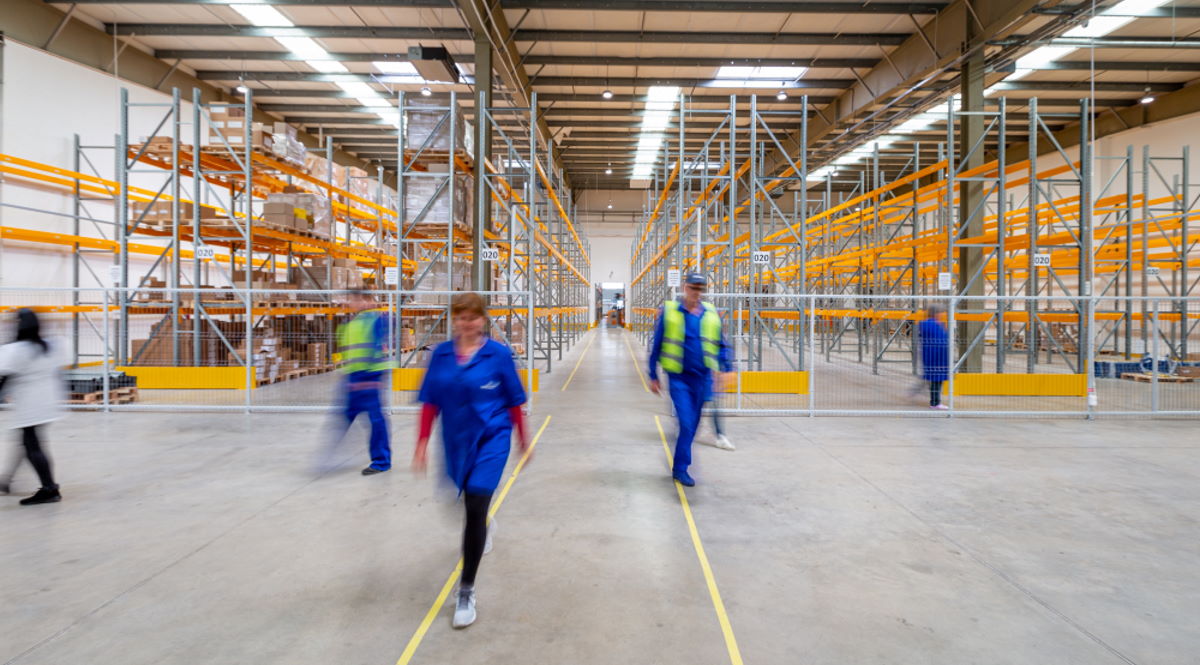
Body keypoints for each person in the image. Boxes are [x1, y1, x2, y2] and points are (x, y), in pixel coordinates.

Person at [413, 292, 529, 629]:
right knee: (461, 504)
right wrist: (421, 442)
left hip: (492, 438)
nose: (466, 323)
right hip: (456, 441)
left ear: (483, 320)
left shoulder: (498, 355)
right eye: (460, 317)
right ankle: (484, 524)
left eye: (473, 317)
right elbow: (430, 401)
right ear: (454, 320)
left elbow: (514, 400)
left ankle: (466, 589)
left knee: (476, 503)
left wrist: (523, 437)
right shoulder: (441, 355)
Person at [648, 272, 732, 487]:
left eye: (700, 289)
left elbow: (721, 345)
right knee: (686, 423)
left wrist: (727, 367)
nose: (697, 292)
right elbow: (657, 345)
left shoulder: (711, 314)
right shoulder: (670, 312)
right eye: (693, 288)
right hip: (679, 379)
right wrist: (652, 374)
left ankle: (680, 464)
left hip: (703, 379)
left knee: (693, 425)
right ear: (685, 288)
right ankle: (680, 468)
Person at [0, 309, 65, 505]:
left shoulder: (17, 349)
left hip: (29, 404)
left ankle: (49, 488)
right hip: (47, 401)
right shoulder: (49, 346)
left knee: (32, 445)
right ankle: (5, 481)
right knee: (27, 442)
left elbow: (6, 378)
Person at [334, 291, 393, 475]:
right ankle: (327, 456)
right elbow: (347, 352)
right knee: (344, 417)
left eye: (358, 300)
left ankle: (381, 461)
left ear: (368, 301)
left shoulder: (376, 320)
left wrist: (374, 378)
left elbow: (381, 343)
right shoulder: (349, 325)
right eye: (352, 300)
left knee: (376, 419)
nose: (354, 303)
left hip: (370, 377)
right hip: (353, 377)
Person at [918, 304, 950, 410]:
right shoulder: (931, 325)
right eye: (940, 313)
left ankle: (935, 401)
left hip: (937, 358)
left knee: (936, 381)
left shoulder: (936, 324)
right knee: (936, 381)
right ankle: (935, 403)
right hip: (935, 358)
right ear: (936, 314)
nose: (941, 315)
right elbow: (939, 341)